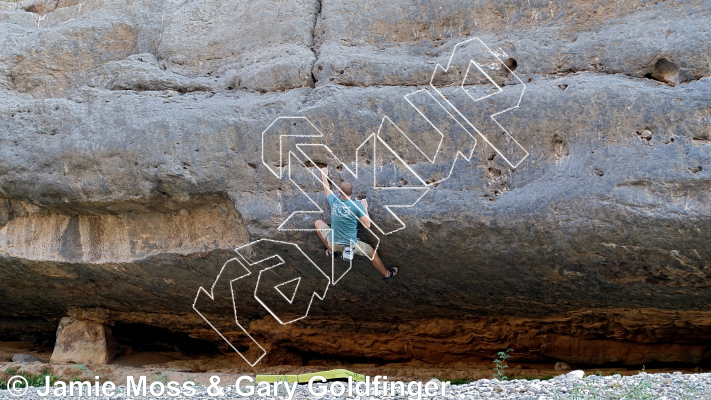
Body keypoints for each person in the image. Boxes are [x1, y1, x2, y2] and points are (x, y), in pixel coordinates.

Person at [314, 166, 398, 281]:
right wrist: (365, 208)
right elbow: (367, 225)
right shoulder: (356, 206)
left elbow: (326, 189)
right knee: (372, 253)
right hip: (351, 245)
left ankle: (330, 251)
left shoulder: (334, 200)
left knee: (318, 223)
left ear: (339, 192)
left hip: (333, 241)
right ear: (352, 192)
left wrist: (323, 175)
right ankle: (387, 274)